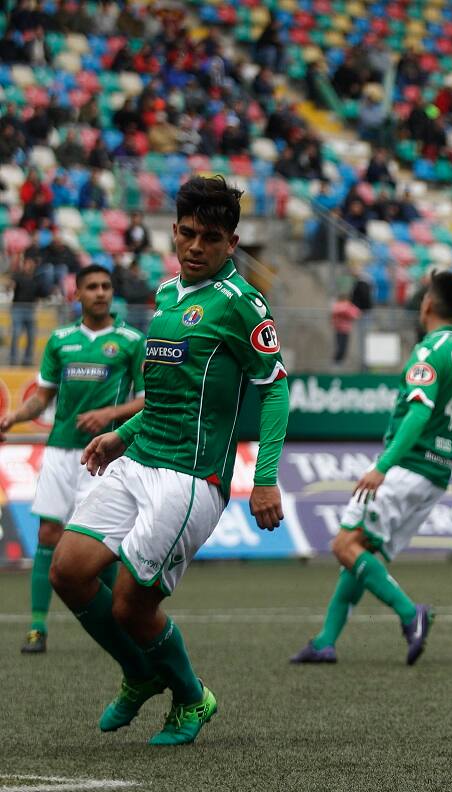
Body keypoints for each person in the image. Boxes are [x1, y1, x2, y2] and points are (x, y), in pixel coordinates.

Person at [47, 175, 290, 746]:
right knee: (70, 571)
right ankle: (138, 673)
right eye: (186, 234)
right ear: (172, 232)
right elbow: (166, 395)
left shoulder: (242, 304)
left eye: (210, 237)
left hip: (191, 476)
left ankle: (190, 696)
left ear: (232, 243)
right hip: (141, 456)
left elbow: (274, 389)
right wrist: (122, 435)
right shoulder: (166, 295)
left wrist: (267, 478)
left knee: (133, 604)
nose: (195, 247)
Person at [291, 271, 452, 666]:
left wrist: (383, 466)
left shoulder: (428, 352)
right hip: (437, 473)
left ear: (428, 305)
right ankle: (325, 640)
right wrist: (444, 433)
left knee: (344, 545)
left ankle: (408, 613)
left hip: (407, 467)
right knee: (361, 552)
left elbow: (418, 413)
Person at [1, 265, 145, 655]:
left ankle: (118, 623)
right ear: (77, 294)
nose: (100, 293)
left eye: (106, 287)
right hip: (61, 450)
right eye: (92, 287)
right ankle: (36, 627)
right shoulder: (61, 340)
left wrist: (109, 417)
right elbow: (42, 397)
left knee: (101, 541)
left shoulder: (132, 340)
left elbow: (146, 398)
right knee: (49, 533)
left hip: (106, 453)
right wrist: (15, 417)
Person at [8, 253, 41, 365]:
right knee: (16, 334)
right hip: (18, 308)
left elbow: (40, 294)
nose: (28, 266)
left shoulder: (36, 279)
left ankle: (28, 359)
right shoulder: (17, 276)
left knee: (31, 336)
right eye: (26, 264)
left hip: (31, 309)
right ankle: (13, 358)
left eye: (30, 264)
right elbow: (10, 286)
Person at [330, 292, 361, 367]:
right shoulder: (338, 305)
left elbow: (355, 313)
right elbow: (338, 311)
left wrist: (346, 311)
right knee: (339, 348)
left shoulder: (348, 305)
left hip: (346, 330)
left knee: (344, 348)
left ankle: (339, 363)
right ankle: (336, 363)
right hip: (339, 329)